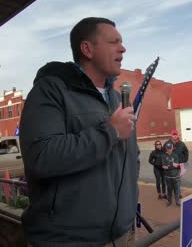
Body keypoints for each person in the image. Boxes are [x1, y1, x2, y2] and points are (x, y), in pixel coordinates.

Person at [19, 17, 139, 246]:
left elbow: (132, 158)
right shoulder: (51, 90)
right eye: (114, 42)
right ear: (87, 49)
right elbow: (41, 157)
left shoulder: (117, 98)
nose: (123, 48)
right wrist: (110, 132)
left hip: (123, 233)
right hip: (69, 239)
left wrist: (128, 208)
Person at [164, 129, 189, 198]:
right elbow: (163, 154)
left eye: (176, 135)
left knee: (179, 180)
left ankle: (178, 193)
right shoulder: (167, 143)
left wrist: (184, 160)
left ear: (177, 135)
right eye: (173, 135)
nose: (174, 136)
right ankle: (170, 193)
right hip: (171, 166)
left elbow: (186, 152)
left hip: (180, 165)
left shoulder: (181, 144)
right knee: (171, 180)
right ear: (171, 135)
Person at [162, 142, 181, 207]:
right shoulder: (164, 156)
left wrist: (169, 166)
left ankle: (177, 201)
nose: (169, 150)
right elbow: (164, 166)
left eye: (170, 148)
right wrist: (172, 165)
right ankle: (169, 201)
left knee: (176, 190)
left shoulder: (175, 155)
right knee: (169, 190)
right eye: (168, 148)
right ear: (166, 148)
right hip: (168, 176)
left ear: (172, 148)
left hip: (175, 176)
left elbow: (177, 165)